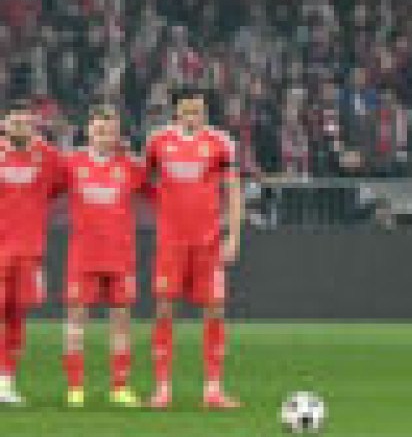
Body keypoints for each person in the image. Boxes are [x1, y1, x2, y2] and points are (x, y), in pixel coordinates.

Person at [144, 87, 242, 409]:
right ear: (175, 112)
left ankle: (213, 389)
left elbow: (233, 190)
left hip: (208, 244)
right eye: (186, 111)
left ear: (205, 112)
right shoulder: (157, 142)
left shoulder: (220, 142)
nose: (192, 117)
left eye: (197, 111)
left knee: (215, 311)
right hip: (170, 244)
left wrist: (233, 236)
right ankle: (162, 389)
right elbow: (143, 181)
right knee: (163, 311)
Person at [61, 105, 150, 408]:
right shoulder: (71, 164)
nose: (104, 136)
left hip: (120, 257)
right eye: (99, 130)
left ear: (117, 135)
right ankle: (75, 387)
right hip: (83, 257)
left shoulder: (131, 167)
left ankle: (120, 387)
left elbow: (158, 190)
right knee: (76, 321)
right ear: (89, 132)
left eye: (109, 131)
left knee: (121, 323)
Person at [0, 104, 64, 405]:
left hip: (29, 250)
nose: (21, 126)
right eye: (15, 121)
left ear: (35, 125)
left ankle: (6, 380)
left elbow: (59, 186)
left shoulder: (49, 157)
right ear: (5, 124)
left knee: (17, 316)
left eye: (27, 121)